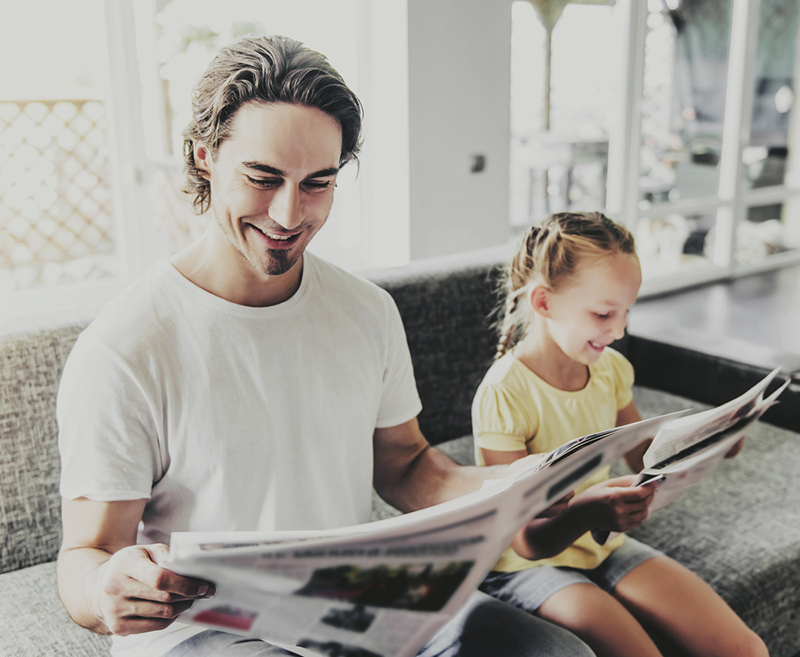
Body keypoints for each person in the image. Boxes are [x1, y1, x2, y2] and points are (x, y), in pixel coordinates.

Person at [55, 35, 595, 657]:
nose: (289, 214)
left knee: (557, 653)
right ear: (205, 157)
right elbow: (85, 556)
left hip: (358, 603)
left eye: (318, 183)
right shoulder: (125, 349)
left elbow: (409, 467)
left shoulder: (366, 311)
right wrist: (104, 592)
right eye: (262, 178)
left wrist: (527, 487)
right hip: (209, 630)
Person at [471, 212, 768, 657]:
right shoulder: (504, 393)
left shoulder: (608, 369)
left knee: (743, 648)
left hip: (601, 544)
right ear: (544, 303)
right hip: (522, 566)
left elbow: (641, 456)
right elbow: (527, 541)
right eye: (604, 313)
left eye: (627, 311)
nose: (619, 330)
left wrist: (709, 441)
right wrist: (588, 511)